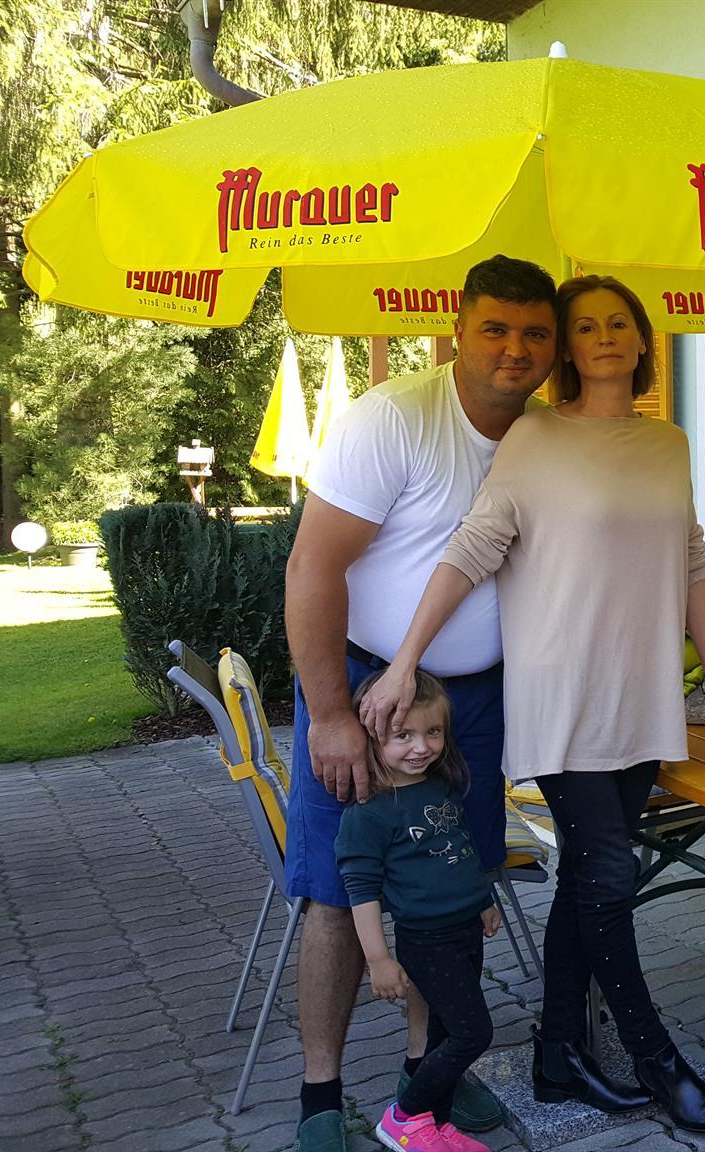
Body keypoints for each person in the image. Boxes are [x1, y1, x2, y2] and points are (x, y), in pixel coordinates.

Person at [360, 273, 705, 1135]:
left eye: (619, 322)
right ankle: (654, 1055)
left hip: (644, 692)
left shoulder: (669, 442)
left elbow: (690, 555)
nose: (604, 335)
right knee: (609, 877)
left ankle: (558, 1055)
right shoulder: (534, 436)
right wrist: (405, 660)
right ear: (568, 347)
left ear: (641, 340)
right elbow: (474, 547)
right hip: (563, 694)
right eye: (586, 325)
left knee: (588, 882)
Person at [284, 254, 558, 1152]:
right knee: (336, 894)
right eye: (495, 328)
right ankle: (319, 1099)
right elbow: (312, 566)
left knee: (449, 894)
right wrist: (331, 714)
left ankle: (425, 1076)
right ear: (457, 328)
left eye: (534, 333)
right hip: (364, 692)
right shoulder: (394, 417)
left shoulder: (547, 436)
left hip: (472, 706)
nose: (515, 349)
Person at [335, 670, 502, 1152]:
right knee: (473, 1034)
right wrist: (378, 959)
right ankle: (404, 1116)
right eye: (403, 735)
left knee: (444, 1034)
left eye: (433, 732)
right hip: (427, 941)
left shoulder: (439, 787)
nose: (421, 747)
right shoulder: (369, 812)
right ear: (372, 736)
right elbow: (361, 890)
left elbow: (460, 850)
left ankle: (438, 1125)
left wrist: (483, 901)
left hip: (465, 930)